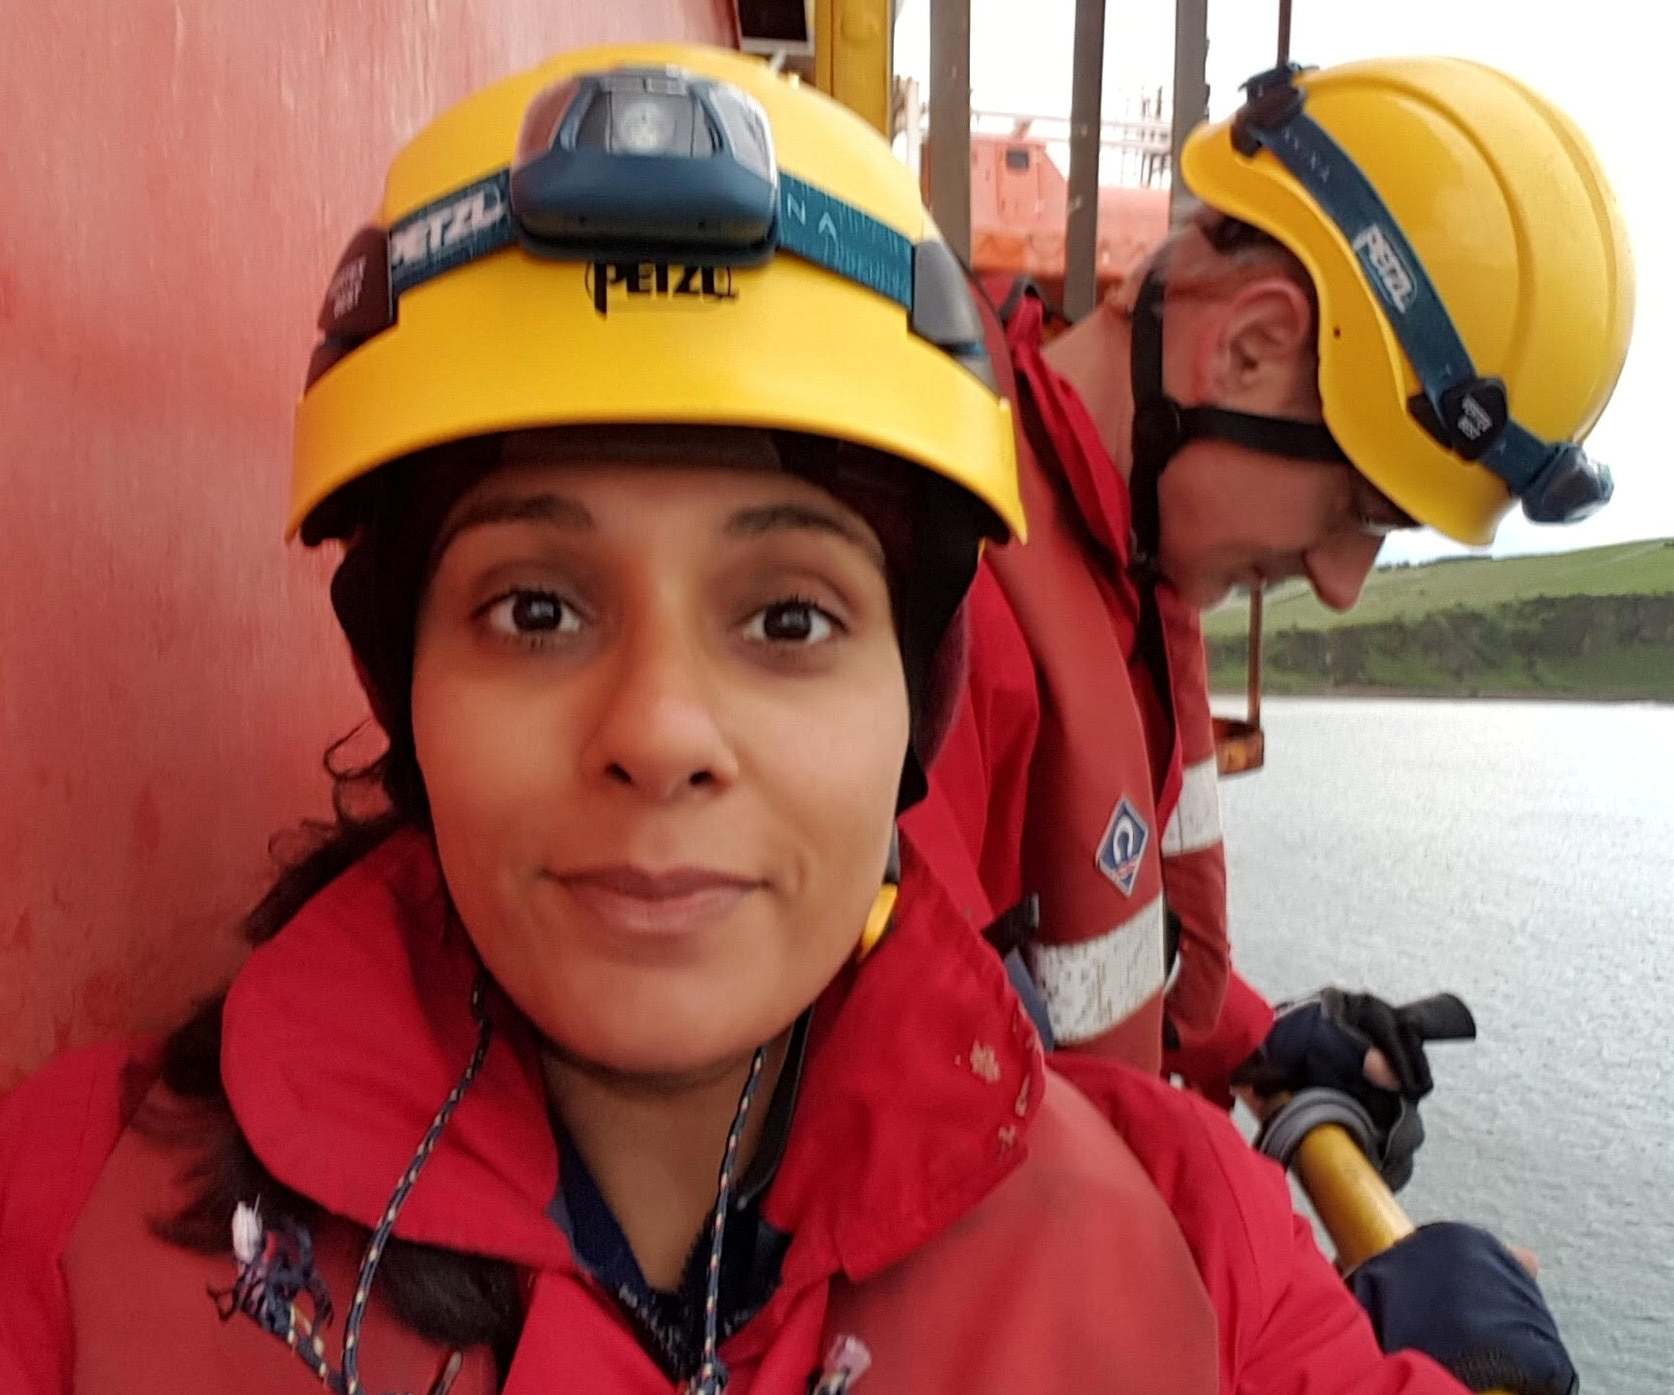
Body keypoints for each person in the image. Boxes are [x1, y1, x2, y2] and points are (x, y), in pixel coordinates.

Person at [0, 43, 1577, 1395]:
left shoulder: (1182, 1235)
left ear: (908, 698)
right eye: (534, 608)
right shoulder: (67, 1235)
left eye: (789, 618)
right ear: (401, 682)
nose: (664, 729)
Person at [901, 56, 1635, 1163]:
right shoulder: (949, 609)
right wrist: (1375, 1323)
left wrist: (1265, 1036)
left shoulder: (1123, 577)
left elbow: (1104, 966)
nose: (1342, 584)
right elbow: (925, 1168)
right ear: (1248, 349)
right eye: (1359, 508)